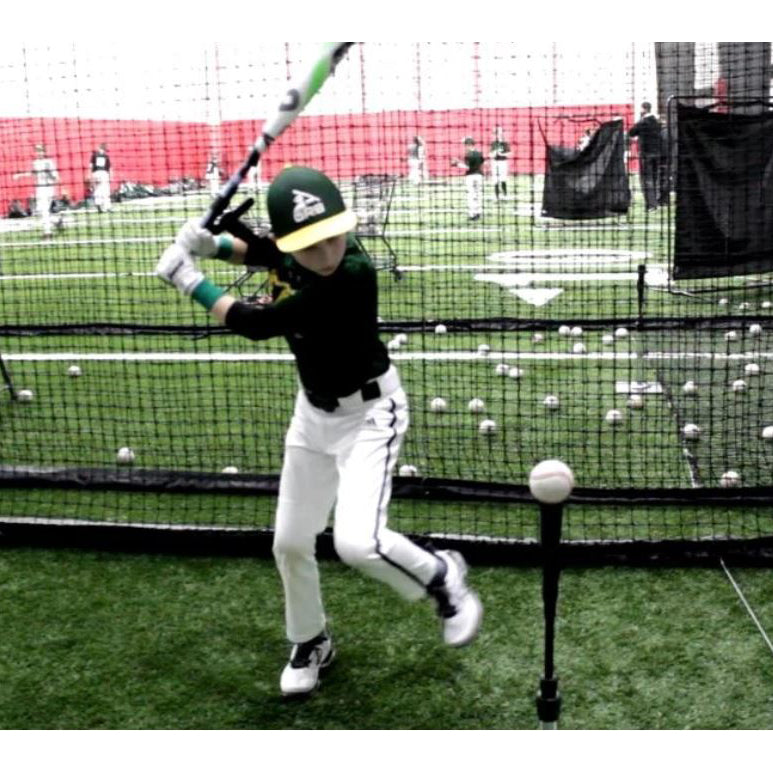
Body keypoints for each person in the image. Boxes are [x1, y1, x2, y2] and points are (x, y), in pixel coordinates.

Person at [155, 166, 483, 697]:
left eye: (331, 235)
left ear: (342, 225)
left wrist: (189, 278)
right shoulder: (296, 248)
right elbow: (264, 252)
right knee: (288, 542)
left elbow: (256, 323)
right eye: (309, 245)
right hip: (313, 415)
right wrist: (212, 243)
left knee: (357, 543)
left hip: (372, 416)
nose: (324, 251)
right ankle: (311, 641)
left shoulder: (350, 275)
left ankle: (443, 578)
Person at [12, 144, 63, 237]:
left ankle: (47, 232)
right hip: (39, 188)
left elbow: (55, 175)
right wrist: (19, 175)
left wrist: (57, 181)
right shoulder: (35, 163)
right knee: (41, 210)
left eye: (41, 151)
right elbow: (32, 173)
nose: (39, 153)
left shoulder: (48, 162)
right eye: (37, 151)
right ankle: (56, 221)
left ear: (44, 152)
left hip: (48, 188)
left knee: (44, 210)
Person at [628, 101, 662, 211]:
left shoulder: (643, 122)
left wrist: (639, 121)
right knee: (655, 178)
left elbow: (631, 132)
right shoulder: (657, 122)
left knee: (646, 180)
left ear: (644, 109)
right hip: (657, 152)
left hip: (646, 154)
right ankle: (656, 200)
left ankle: (651, 204)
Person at [451, 137, 485, 220]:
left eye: (466, 145)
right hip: (479, 176)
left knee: (471, 195)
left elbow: (467, 167)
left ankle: (472, 214)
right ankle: (479, 213)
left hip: (471, 176)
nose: (465, 147)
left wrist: (457, 164)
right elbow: (483, 164)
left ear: (469, 145)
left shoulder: (468, 154)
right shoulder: (479, 153)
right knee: (478, 194)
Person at [488, 126, 511, 201]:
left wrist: (502, 154)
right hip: (495, 162)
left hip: (503, 162)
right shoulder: (493, 143)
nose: (498, 135)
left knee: (503, 179)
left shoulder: (505, 143)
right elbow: (490, 154)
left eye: (500, 133)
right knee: (495, 180)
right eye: (497, 133)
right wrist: (494, 153)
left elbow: (509, 153)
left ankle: (505, 195)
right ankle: (496, 196)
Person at [89, 143, 112, 213]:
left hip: (96, 173)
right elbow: (109, 168)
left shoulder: (94, 155)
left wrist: (91, 175)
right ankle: (107, 207)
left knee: (97, 189)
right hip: (104, 173)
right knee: (105, 190)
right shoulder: (106, 156)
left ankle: (98, 204)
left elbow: (90, 166)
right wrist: (110, 176)